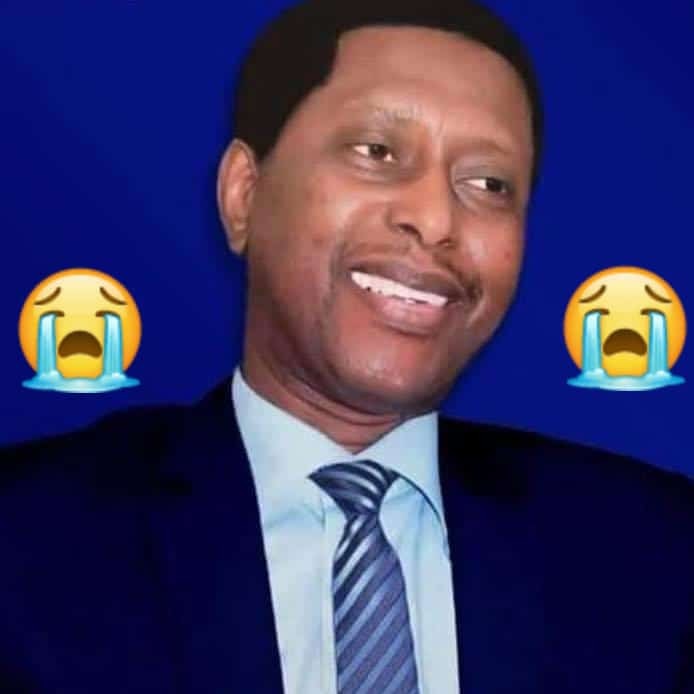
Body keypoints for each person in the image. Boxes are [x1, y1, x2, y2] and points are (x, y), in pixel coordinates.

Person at [1, 0, 693, 692]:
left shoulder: (654, 552)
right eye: (377, 152)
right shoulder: (29, 537)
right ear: (244, 195)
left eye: (489, 184)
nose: (435, 218)